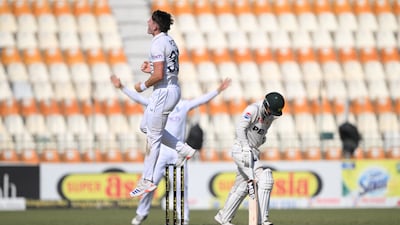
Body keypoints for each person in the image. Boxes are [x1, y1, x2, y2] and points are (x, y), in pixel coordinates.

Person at [111, 75, 231, 225]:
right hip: (161, 151)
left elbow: (202, 100)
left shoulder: (183, 105)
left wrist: (218, 90)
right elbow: (138, 99)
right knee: (150, 183)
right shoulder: (156, 103)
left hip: (177, 153)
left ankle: (183, 219)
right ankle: (141, 214)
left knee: (181, 188)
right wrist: (122, 87)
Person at [128, 10, 196, 198]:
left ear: (156, 25)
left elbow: (158, 76)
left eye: (150, 20)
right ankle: (183, 148)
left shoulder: (158, 44)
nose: (147, 22)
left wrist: (142, 85)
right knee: (145, 126)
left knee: (153, 137)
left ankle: (147, 180)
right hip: (169, 88)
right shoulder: (169, 41)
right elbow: (165, 70)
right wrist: (149, 68)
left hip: (164, 91)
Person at [214, 92, 285, 225]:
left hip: (253, 151)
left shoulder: (271, 117)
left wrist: (261, 140)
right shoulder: (253, 110)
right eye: (271, 110)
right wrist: (246, 147)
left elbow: (259, 132)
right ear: (266, 104)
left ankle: (223, 217)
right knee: (265, 178)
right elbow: (240, 128)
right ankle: (263, 220)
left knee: (241, 187)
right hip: (242, 150)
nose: (272, 114)